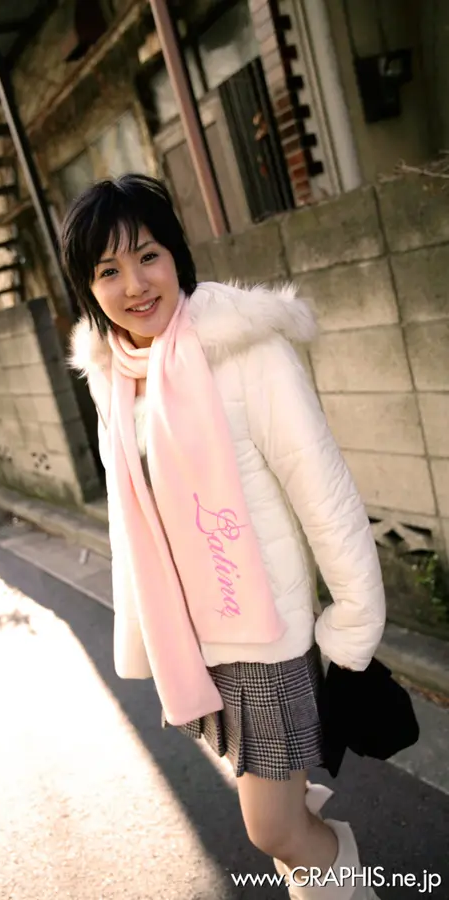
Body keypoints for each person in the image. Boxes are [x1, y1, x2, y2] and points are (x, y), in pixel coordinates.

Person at [63, 173, 386, 899]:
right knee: (286, 819)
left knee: (272, 828)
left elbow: (321, 486)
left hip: (263, 631)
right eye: (108, 270)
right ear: (87, 288)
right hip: (193, 640)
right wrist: (148, 637)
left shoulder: (243, 349)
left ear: (175, 254)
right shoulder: (113, 376)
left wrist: (355, 619)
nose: (134, 285)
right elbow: (130, 518)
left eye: (147, 256)